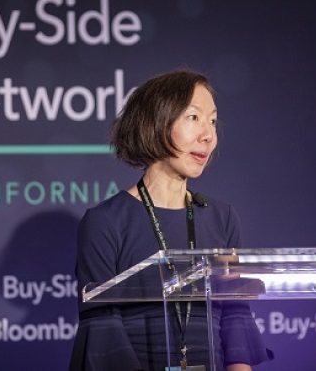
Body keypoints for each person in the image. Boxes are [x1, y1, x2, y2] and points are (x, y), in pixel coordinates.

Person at [69, 70, 271, 371]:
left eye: (213, 121)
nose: (208, 135)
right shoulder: (105, 222)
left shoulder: (222, 218)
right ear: (156, 123)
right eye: (194, 117)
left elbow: (236, 315)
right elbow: (103, 330)